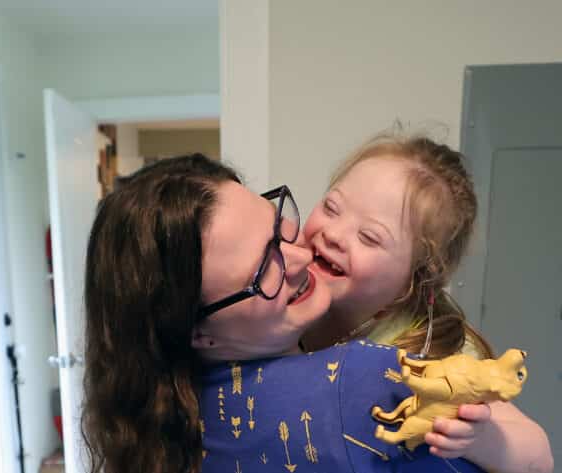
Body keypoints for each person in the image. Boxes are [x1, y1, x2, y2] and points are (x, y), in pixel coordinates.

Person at [82, 154, 485, 473]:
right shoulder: (360, 384)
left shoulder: (162, 422)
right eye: (263, 269)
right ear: (198, 332)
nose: (303, 255)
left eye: (278, 226)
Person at [299, 132, 553, 472]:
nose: (332, 234)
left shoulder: (432, 351)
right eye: (331, 208)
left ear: (417, 276)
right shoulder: (281, 299)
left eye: (369, 237)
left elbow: (539, 458)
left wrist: (479, 438)